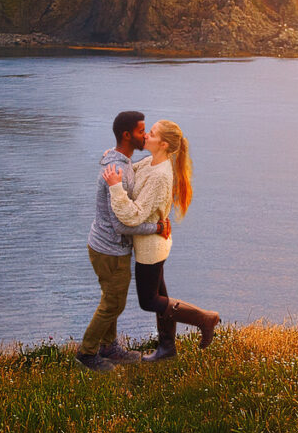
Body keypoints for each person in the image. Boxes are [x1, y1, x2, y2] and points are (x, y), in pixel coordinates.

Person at [100, 117, 219, 357]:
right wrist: (114, 158)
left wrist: (114, 188)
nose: (146, 136)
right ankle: (167, 347)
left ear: (163, 144)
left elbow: (133, 216)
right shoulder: (150, 163)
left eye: (151, 134)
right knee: (160, 296)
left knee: (149, 301)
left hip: (151, 248)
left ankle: (205, 318)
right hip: (153, 243)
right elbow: (130, 174)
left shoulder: (160, 175)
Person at [77, 108, 150, 368]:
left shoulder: (120, 160)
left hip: (106, 246)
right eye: (142, 131)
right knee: (113, 303)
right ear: (127, 135)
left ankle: (109, 347)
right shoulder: (116, 169)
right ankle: (87, 354)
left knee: (112, 298)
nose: (146, 135)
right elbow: (120, 225)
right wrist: (155, 228)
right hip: (110, 249)